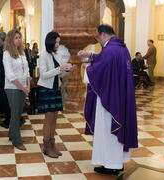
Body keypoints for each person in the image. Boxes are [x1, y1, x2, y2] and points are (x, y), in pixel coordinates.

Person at [78, 24, 138, 175]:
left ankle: (111, 165)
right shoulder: (120, 48)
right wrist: (90, 56)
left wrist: (87, 67)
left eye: (98, 38)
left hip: (109, 101)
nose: (98, 41)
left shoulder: (110, 50)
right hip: (119, 96)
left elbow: (100, 70)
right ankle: (116, 162)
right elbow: (105, 62)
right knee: (113, 133)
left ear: (103, 34)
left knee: (107, 131)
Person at [38, 31, 76, 158]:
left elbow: (60, 74)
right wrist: (59, 69)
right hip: (46, 89)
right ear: (50, 41)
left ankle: (52, 144)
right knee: (48, 118)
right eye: (57, 42)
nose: (58, 45)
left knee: (54, 118)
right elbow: (43, 74)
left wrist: (67, 70)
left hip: (55, 88)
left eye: (59, 42)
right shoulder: (43, 55)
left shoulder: (57, 55)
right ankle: (46, 146)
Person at [3, 29, 30, 151]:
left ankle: (11, 134)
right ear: (10, 40)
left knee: (18, 112)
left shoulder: (22, 53)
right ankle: (17, 141)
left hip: (23, 86)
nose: (18, 40)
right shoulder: (7, 54)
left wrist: (28, 85)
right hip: (13, 87)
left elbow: (27, 70)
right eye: (16, 38)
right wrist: (23, 87)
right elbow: (10, 75)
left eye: (19, 37)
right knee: (15, 114)